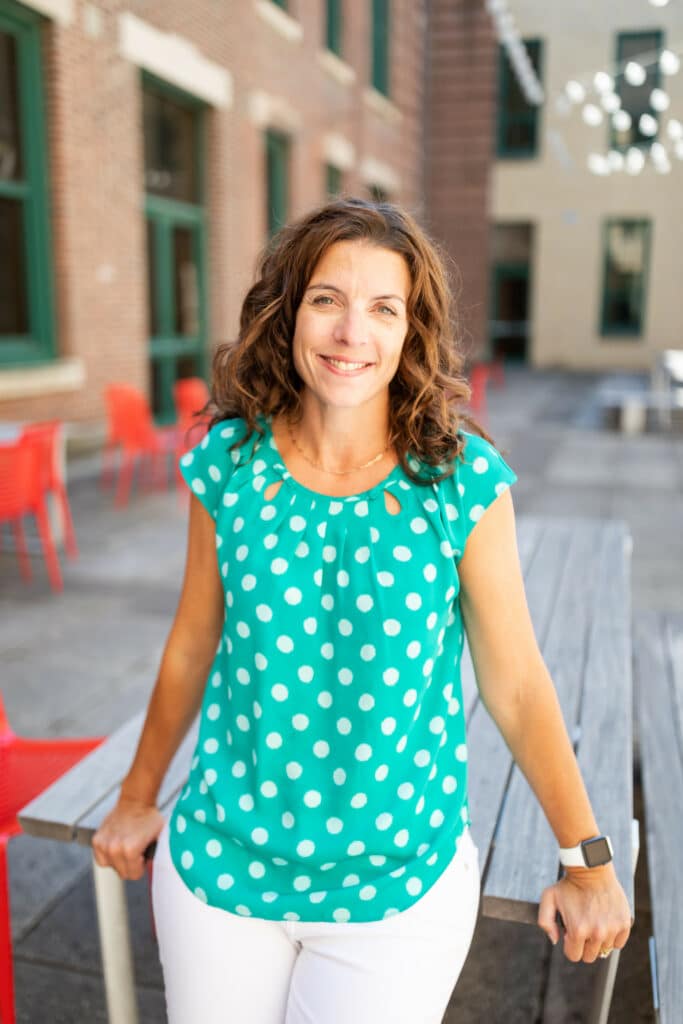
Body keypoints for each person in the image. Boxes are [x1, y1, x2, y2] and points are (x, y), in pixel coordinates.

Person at [93, 197, 632, 1023]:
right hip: (219, 864)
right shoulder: (229, 465)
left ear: (410, 331)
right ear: (288, 311)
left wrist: (587, 860)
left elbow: (515, 682)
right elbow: (193, 641)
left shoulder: (458, 482)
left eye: (383, 308)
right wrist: (136, 797)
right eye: (326, 300)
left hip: (396, 885)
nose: (352, 333)